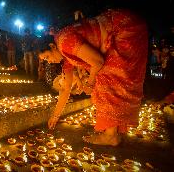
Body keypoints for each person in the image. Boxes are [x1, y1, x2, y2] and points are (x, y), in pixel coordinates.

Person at [39, 9, 148, 146]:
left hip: (122, 28)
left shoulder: (63, 41)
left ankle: (110, 136)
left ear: (51, 46)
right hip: (122, 30)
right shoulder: (66, 59)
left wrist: (89, 84)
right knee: (108, 78)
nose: (49, 62)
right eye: (45, 61)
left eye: (47, 57)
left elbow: (98, 62)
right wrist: (55, 116)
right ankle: (114, 131)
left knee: (107, 79)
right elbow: (66, 89)